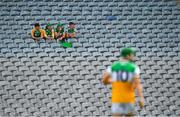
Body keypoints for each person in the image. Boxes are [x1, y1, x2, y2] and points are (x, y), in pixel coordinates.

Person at [102, 48, 145, 117]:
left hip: (117, 99)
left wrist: (114, 81)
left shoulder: (113, 67)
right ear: (128, 55)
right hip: (128, 98)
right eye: (132, 55)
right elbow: (137, 84)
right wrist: (141, 98)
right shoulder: (133, 67)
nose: (134, 56)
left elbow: (104, 80)